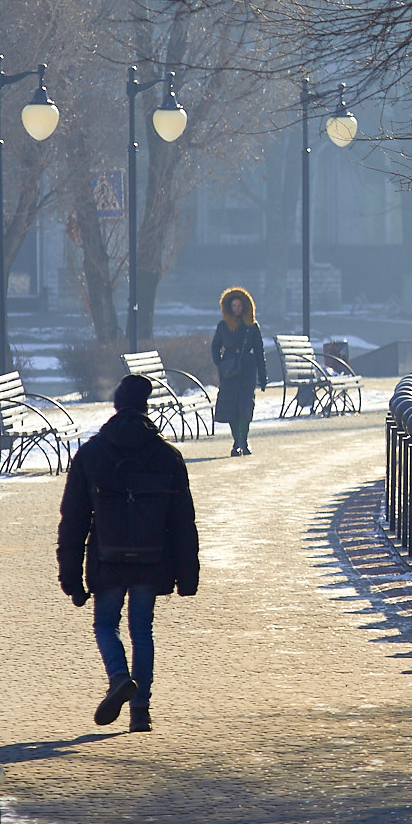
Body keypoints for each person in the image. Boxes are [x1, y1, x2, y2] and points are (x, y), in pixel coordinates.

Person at [56, 374, 200, 732]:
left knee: (106, 624)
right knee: (142, 630)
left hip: (107, 559)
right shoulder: (168, 456)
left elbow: (73, 519)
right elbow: (183, 521)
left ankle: (119, 677)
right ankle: (141, 711)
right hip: (152, 559)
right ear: (146, 408)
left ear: (117, 407)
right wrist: (188, 574)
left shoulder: (90, 454)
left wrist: (71, 577)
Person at [211, 286, 268, 456]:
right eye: (233, 306)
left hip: (248, 369)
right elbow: (215, 346)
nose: (237, 309)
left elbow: (259, 351)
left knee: (245, 406)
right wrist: (220, 364)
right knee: (231, 408)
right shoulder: (223, 326)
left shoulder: (252, 326)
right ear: (229, 307)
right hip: (229, 371)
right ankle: (237, 440)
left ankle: (244, 439)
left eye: (240, 306)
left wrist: (263, 377)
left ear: (245, 306)